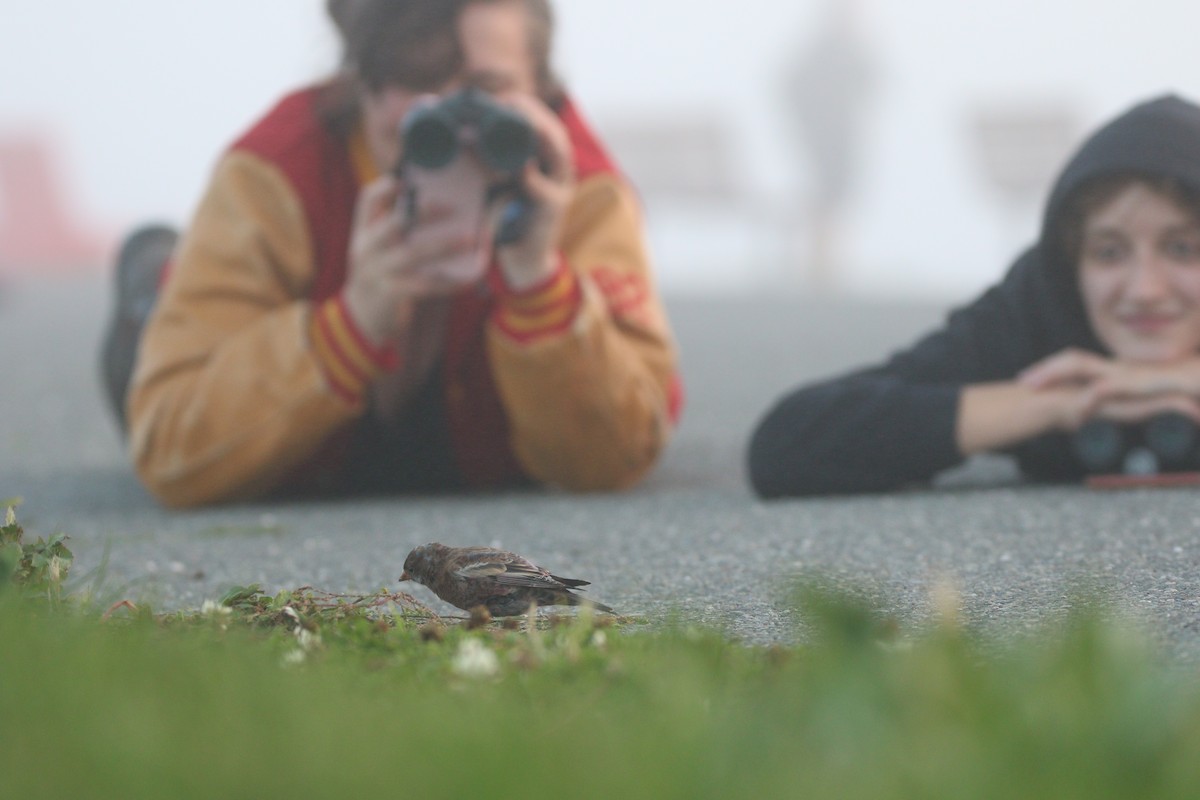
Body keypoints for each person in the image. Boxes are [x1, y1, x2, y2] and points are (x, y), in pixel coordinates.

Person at [109, 0, 683, 508]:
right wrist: (350, 324)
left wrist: (540, 285)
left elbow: (625, 448)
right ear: (362, 85)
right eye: (421, 84)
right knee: (148, 334)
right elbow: (169, 449)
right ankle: (153, 277)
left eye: (488, 93)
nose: (461, 125)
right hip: (296, 442)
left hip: (456, 452)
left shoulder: (580, 190)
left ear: (545, 97)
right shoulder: (275, 177)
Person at [748, 94, 1200, 497]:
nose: (1144, 290)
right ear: (1070, 262)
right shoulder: (1036, 313)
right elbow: (788, 442)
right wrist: (1060, 402)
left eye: (1182, 249)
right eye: (1109, 252)